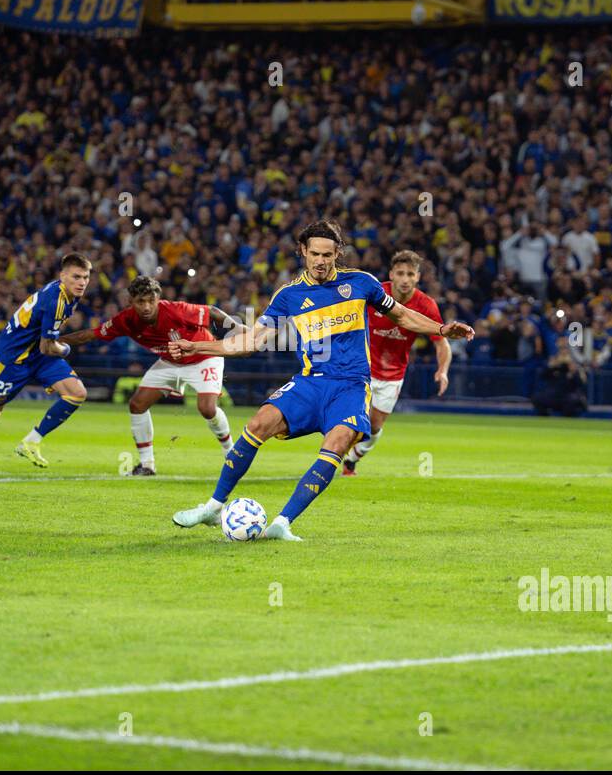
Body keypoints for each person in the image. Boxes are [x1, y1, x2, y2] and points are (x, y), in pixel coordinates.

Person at [169, 220, 473, 541]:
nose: (321, 261)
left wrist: (440, 329)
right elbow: (252, 342)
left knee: (338, 444)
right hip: (310, 383)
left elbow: (401, 314)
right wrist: (197, 345)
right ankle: (215, 506)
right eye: (314, 253)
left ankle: (283, 522)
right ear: (303, 251)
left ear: (337, 253)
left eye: (328, 255)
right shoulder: (288, 295)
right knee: (259, 423)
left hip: (352, 386)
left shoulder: (360, 283)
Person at [59, 275, 239, 475]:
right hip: (170, 361)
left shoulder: (174, 309)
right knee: (137, 404)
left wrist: (239, 329)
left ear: (158, 298)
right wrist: (54, 341)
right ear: (131, 302)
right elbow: (91, 334)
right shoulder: (125, 320)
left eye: (151, 301)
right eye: (140, 302)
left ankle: (231, 453)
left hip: (204, 357)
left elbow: (212, 312)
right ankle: (147, 465)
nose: (146, 307)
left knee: (206, 408)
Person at [0, 254, 91, 473]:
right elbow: (50, 347)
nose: (82, 282)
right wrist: (66, 349)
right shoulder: (56, 300)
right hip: (13, 358)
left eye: (85, 277)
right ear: (62, 276)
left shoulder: (68, 293)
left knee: (76, 393)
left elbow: (45, 345)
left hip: (39, 352)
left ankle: (31, 441)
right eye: (76, 277)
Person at [342, 249, 450, 475]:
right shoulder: (376, 292)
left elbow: (441, 343)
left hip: (393, 374)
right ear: (392, 274)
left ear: (418, 277)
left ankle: (351, 459)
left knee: (374, 426)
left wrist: (443, 370)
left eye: (410, 274)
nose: (405, 279)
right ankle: (331, 455)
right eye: (400, 273)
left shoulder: (426, 305)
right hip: (361, 367)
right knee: (350, 418)